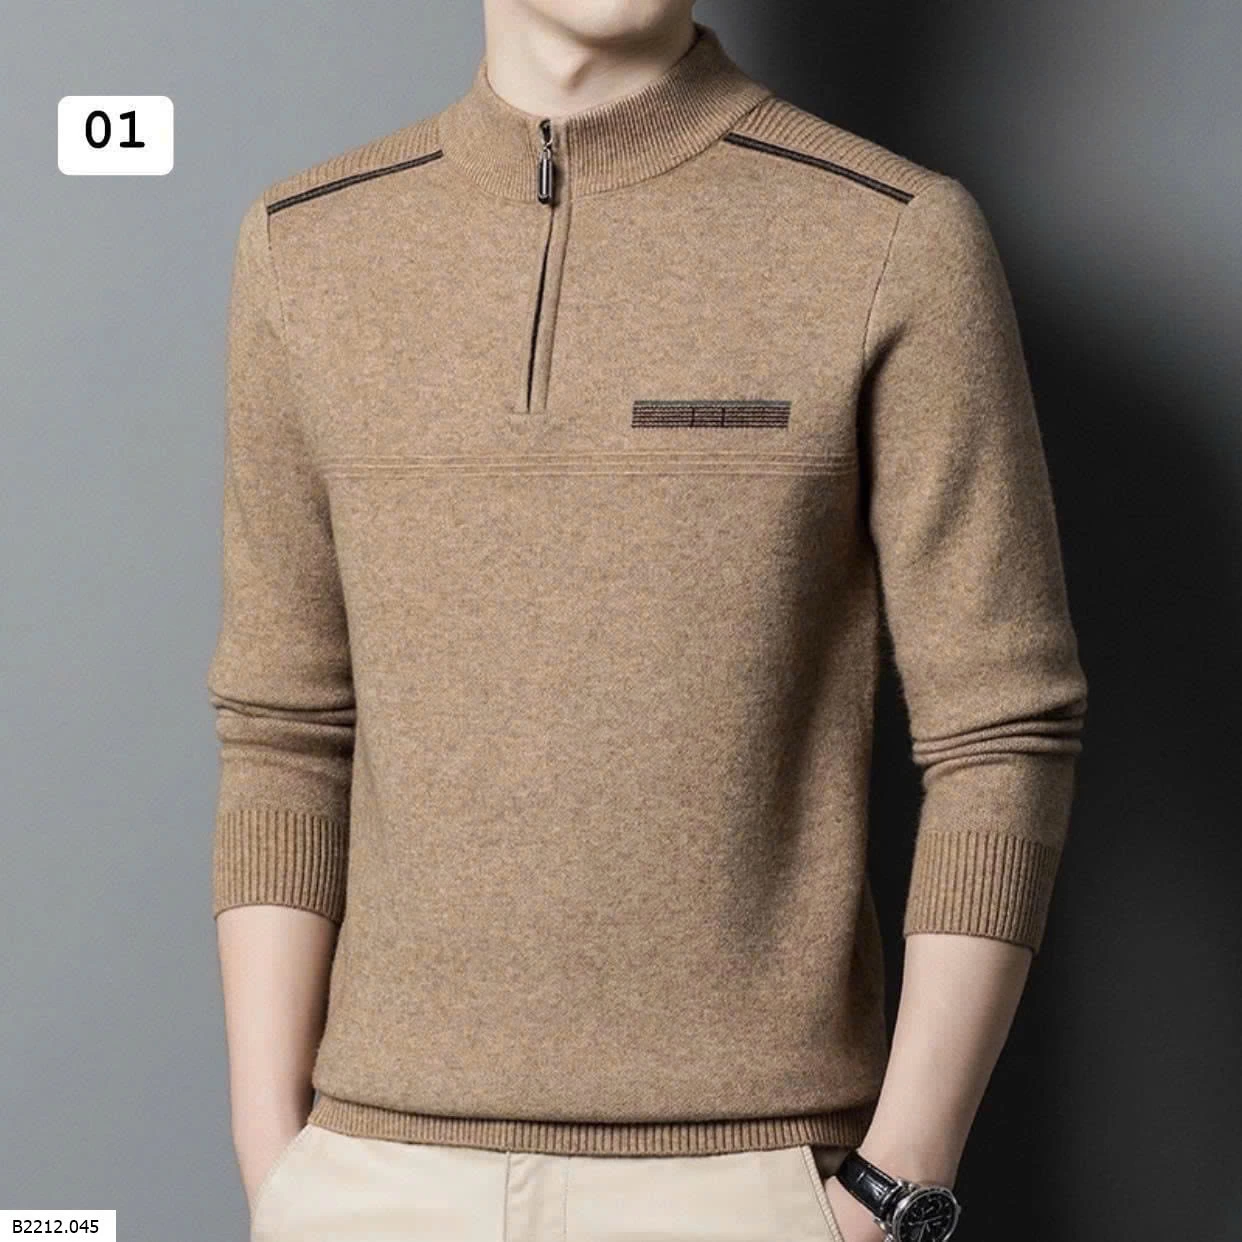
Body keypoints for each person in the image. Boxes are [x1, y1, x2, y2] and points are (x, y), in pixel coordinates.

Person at [207, 1, 1089, 1239]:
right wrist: (278, 1167)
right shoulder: (307, 243)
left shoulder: (889, 232)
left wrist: (891, 1188)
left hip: (752, 1181)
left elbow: (1005, 734)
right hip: (372, 1180)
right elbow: (283, 729)